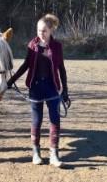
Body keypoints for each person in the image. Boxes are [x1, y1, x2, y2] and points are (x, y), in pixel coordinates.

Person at [7, 14, 69, 167]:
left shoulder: (57, 47)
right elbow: (25, 65)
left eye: (44, 31)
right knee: (37, 120)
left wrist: (65, 90)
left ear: (51, 30)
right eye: (39, 30)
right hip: (35, 88)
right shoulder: (32, 45)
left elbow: (62, 69)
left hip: (52, 87)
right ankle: (36, 153)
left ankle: (54, 154)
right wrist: (11, 81)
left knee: (55, 119)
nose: (41, 33)